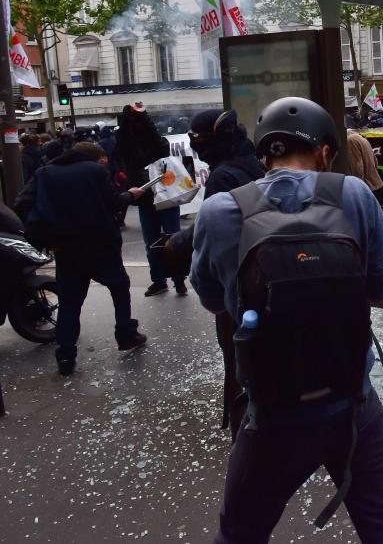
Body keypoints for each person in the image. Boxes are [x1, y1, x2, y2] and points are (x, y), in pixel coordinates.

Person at [191, 97, 383, 543]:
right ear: (326, 152)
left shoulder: (219, 210)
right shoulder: (354, 195)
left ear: (263, 155)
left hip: (273, 415)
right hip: (353, 405)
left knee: (239, 534)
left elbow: (214, 301)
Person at [162, 110, 265, 439]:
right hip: (262, 272)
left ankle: (243, 433)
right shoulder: (250, 160)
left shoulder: (224, 175)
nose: (193, 143)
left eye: (197, 137)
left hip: (236, 280)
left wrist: (176, 244)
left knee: (237, 361)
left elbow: (214, 226)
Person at [15, 142, 147, 375]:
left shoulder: (44, 172)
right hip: (101, 245)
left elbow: (22, 204)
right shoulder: (95, 171)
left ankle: (65, 355)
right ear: (94, 158)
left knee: (70, 303)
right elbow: (114, 202)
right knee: (119, 287)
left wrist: (46, 236)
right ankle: (126, 333)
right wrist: (131, 195)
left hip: (65, 248)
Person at [115, 103, 187, 297]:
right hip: (150, 195)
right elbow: (122, 144)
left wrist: (139, 119)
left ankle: (173, 280)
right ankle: (166, 280)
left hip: (157, 194)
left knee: (167, 239)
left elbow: (157, 145)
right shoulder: (130, 143)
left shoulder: (153, 141)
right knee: (158, 241)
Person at [347, 129, 383, 253]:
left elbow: (357, 165)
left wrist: (358, 184)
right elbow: (375, 161)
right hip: (373, 181)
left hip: (364, 184)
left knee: (370, 217)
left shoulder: (350, 141)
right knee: (371, 216)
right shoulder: (363, 139)